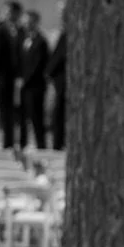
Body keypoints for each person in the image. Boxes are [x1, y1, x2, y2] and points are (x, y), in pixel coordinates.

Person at [18, 8, 51, 151]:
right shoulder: (25, 40)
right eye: (25, 22)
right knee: (23, 116)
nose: (27, 24)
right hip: (25, 86)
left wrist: (25, 79)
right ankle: (22, 144)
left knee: (37, 117)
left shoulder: (41, 41)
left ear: (36, 22)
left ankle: (41, 145)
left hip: (36, 85)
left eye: (29, 22)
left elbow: (38, 65)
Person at [49, 23, 68, 151]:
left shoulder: (66, 35)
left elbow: (59, 56)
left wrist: (48, 72)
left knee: (60, 113)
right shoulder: (63, 34)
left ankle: (58, 142)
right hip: (59, 80)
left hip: (63, 80)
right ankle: (58, 142)